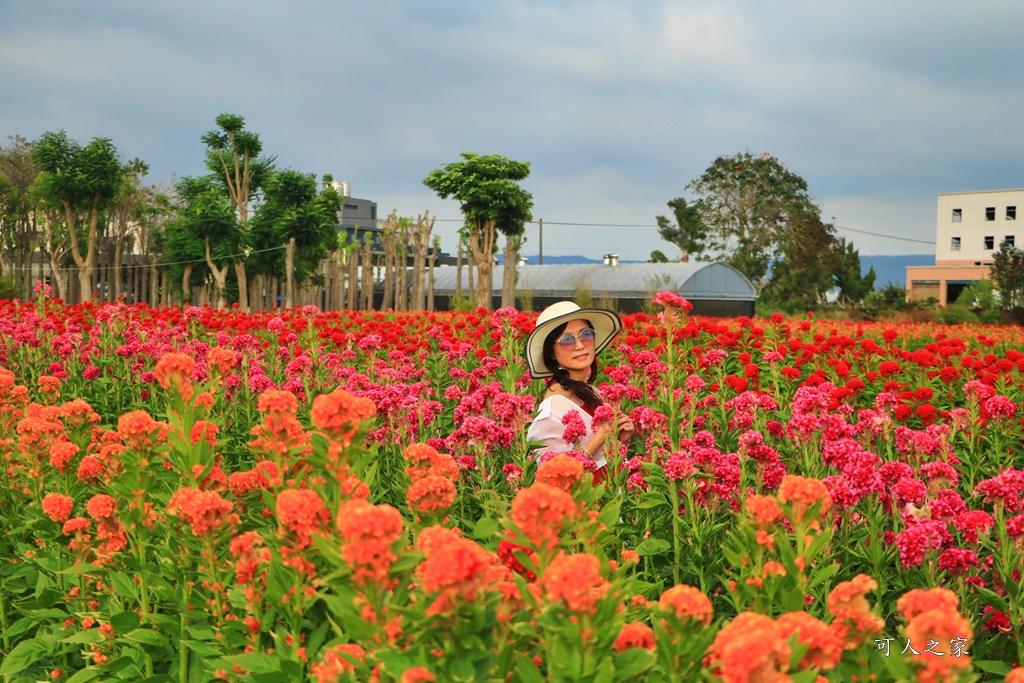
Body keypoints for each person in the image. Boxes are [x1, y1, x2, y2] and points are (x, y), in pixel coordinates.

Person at [524, 301, 634, 478]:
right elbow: (553, 477)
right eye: (567, 340)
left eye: (586, 335)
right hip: (583, 501)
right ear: (551, 352)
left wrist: (621, 439)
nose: (580, 345)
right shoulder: (553, 407)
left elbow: (604, 458)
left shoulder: (593, 392)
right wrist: (600, 438)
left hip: (609, 495)